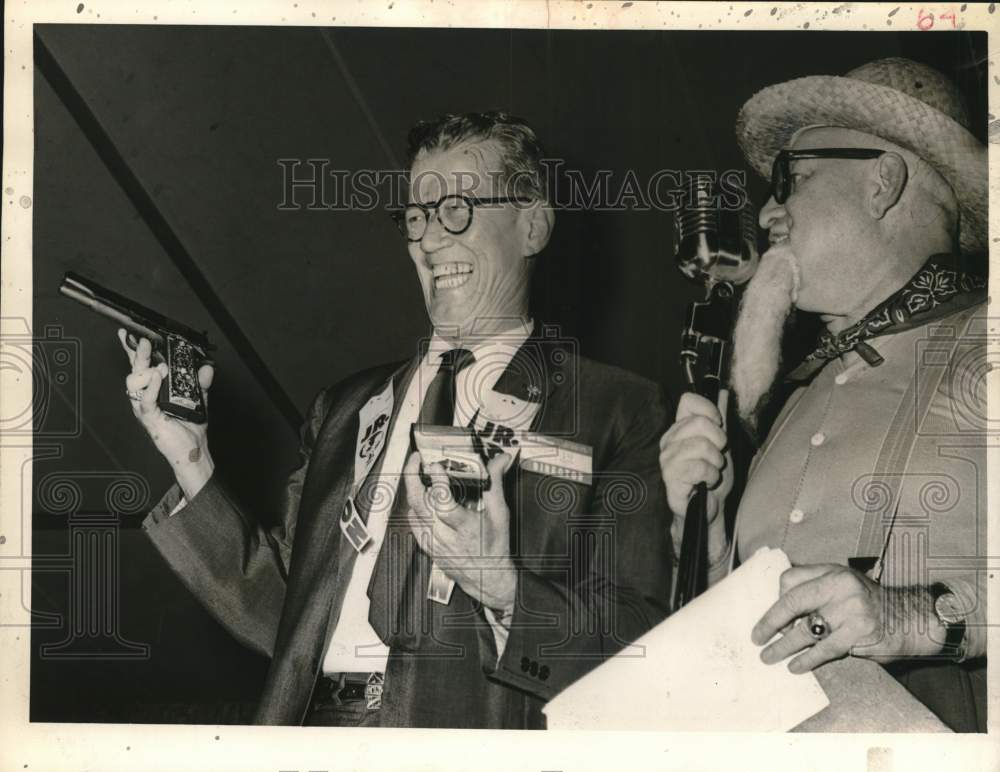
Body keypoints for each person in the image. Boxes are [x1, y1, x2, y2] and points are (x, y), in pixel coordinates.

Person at [120, 111, 672, 728]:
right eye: (417, 216)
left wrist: (501, 586)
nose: (431, 239)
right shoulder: (346, 407)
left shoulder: (616, 409)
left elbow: (637, 649)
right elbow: (285, 609)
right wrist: (189, 456)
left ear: (533, 225)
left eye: (458, 209)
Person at [659, 58, 988, 732]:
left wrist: (920, 616)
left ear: (882, 182)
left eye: (793, 179)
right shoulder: (791, 400)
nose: (766, 210)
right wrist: (710, 531)